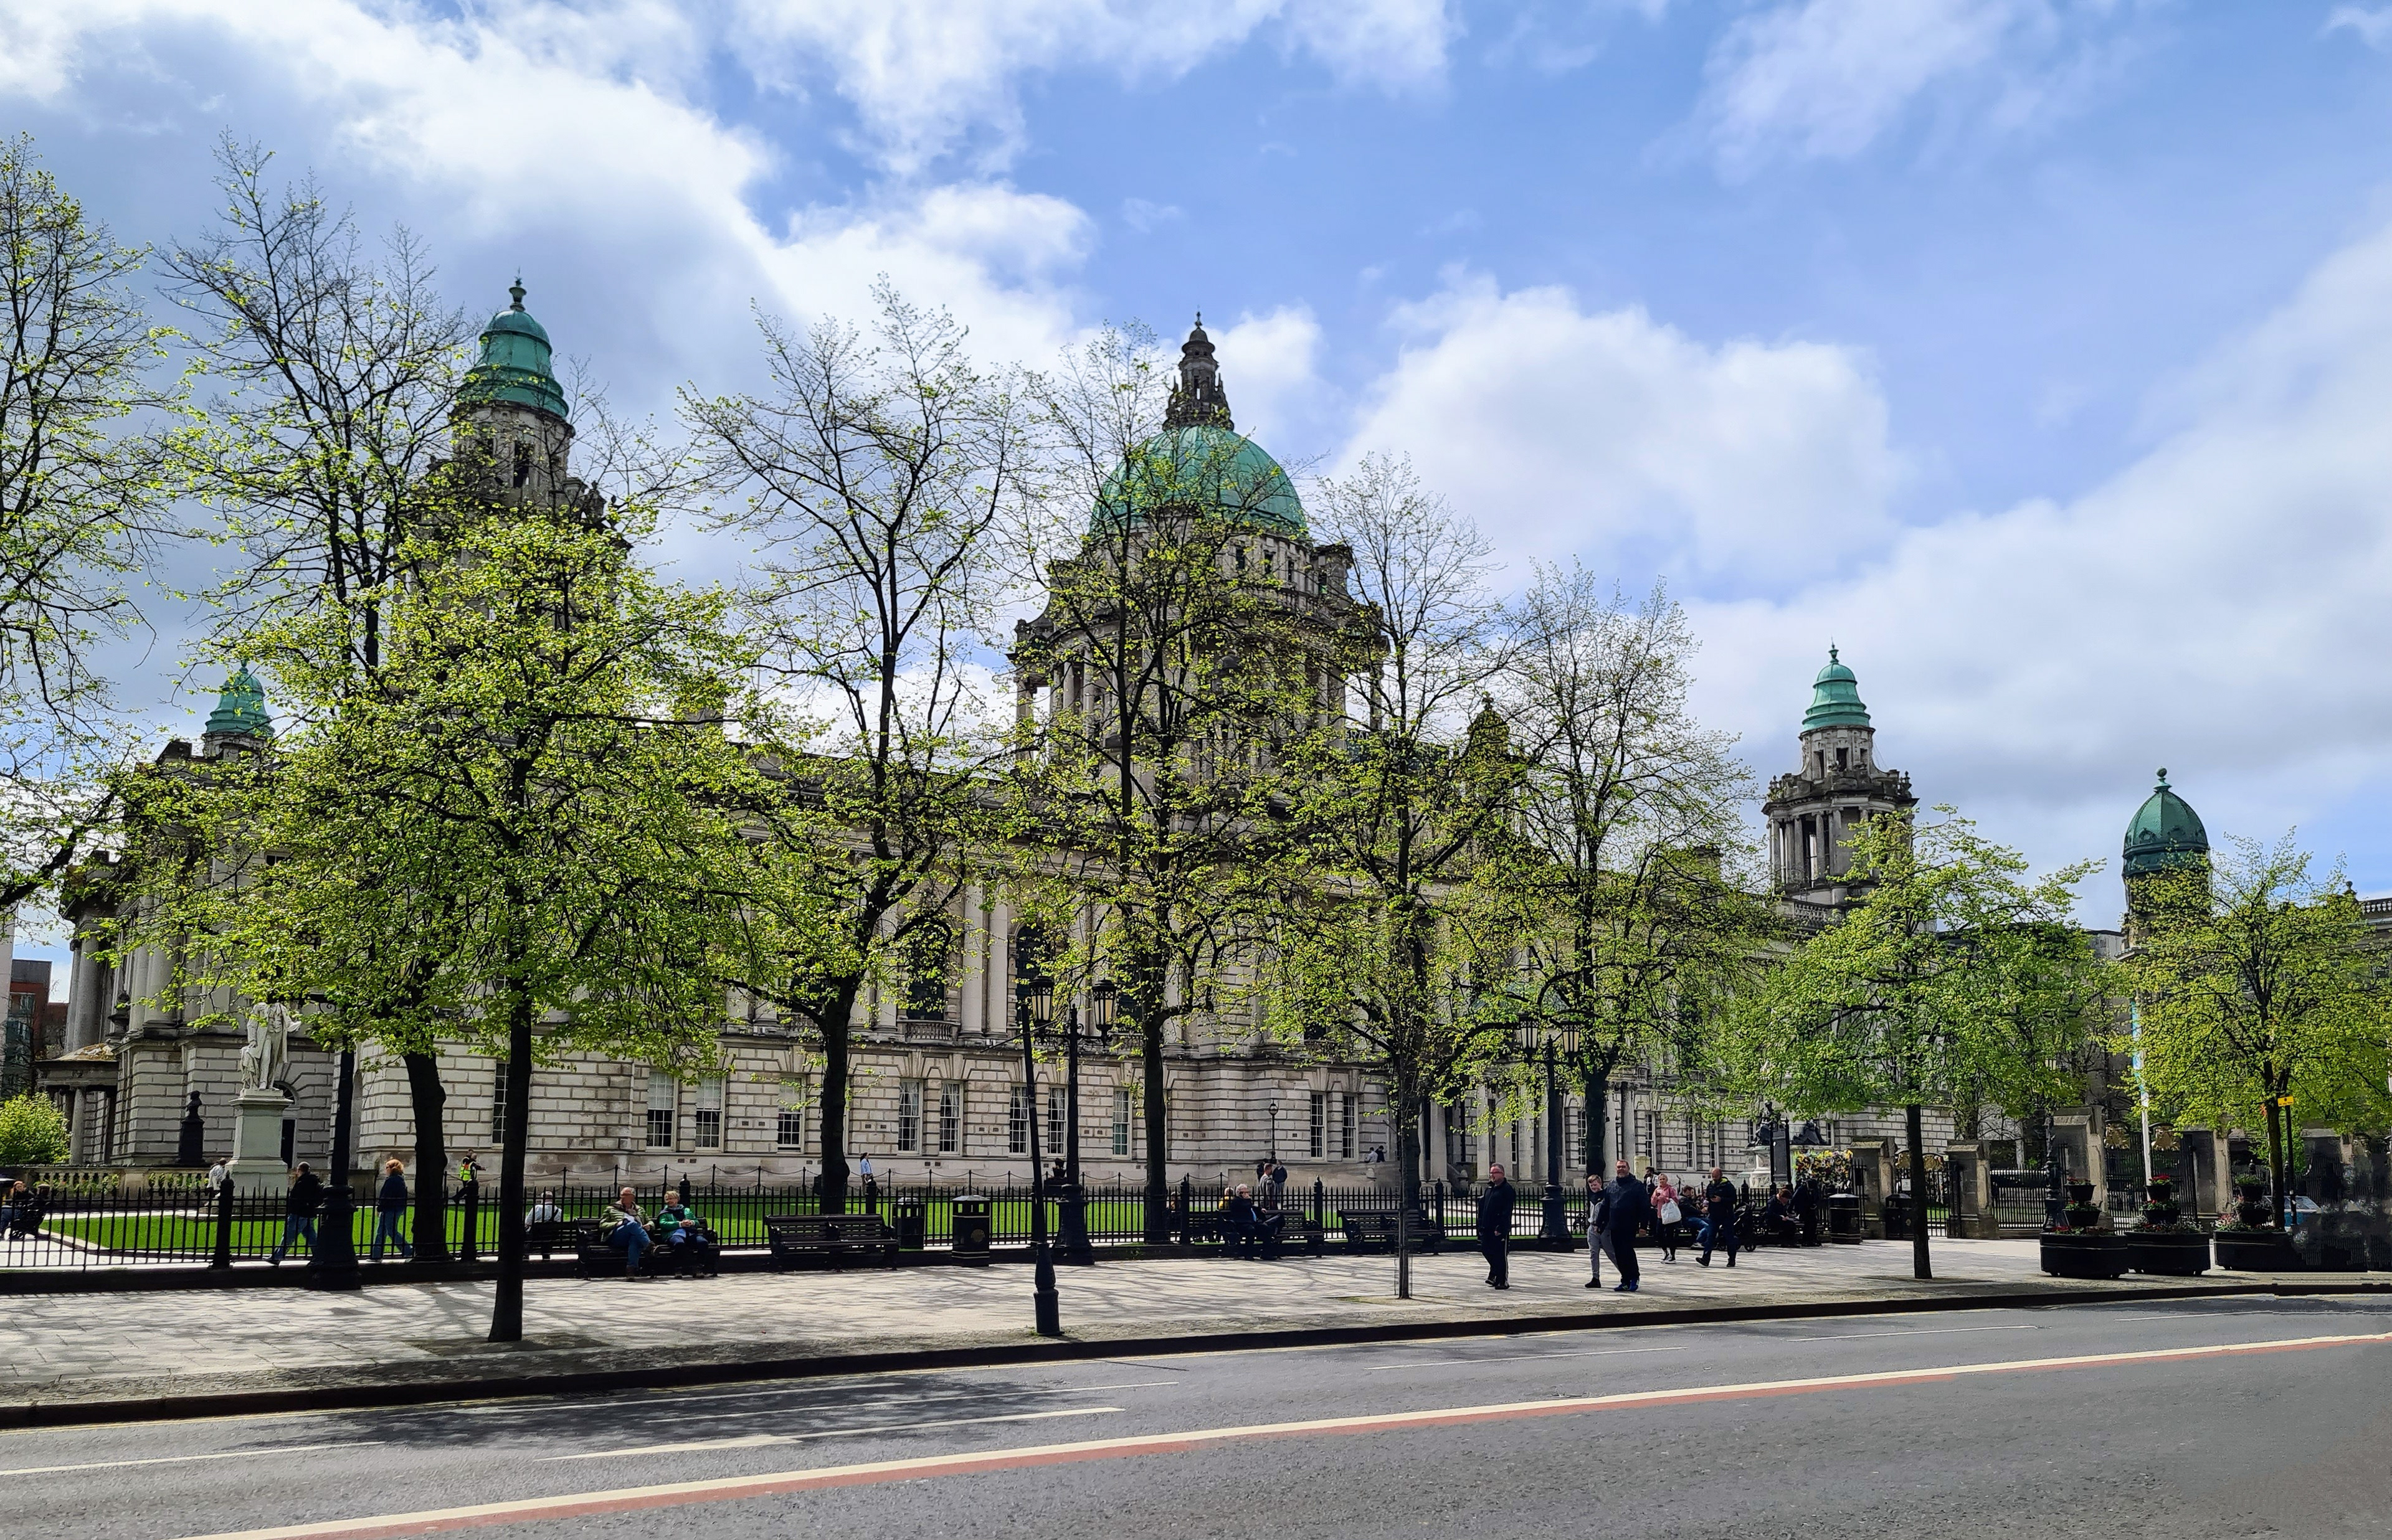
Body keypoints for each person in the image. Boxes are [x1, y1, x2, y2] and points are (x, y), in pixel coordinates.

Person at [1602, 1161, 1649, 1293]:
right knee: (1619, 1254)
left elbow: (1644, 1207)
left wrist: (1643, 1226)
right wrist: (1599, 1224)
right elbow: (1605, 1206)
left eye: (1623, 1167)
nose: (1621, 1169)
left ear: (1628, 1169)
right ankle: (1625, 1280)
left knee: (1628, 1252)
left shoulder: (1637, 1186)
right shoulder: (1612, 1185)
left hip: (1629, 1224)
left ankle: (1634, 1277)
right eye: (1618, 1167)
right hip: (1615, 1225)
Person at [270, 1163, 323, 1265]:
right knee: (311, 1237)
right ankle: (319, 1256)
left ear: (299, 1170)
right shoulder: (314, 1181)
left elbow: (297, 1199)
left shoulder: (303, 1182)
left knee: (288, 1236)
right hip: (309, 1214)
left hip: (299, 1214)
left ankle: (277, 1256)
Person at [655, 1195, 716, 1277]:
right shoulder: (664, 1213)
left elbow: (696, 1222)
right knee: (679, 1244)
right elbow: (663, 1224)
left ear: (677, 1199)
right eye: (667, 1199)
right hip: (674, 1234)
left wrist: (691, 1223)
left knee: (703, 1242)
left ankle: (698, 1267)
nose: (669, 1201)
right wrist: (680, 1224)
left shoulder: (686, 1210)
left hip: (690, 1233)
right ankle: (678, 1268)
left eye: (671, 1199)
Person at [1477, 1164, 1516, 1289]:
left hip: (1498, 1228)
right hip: (1487, 1227)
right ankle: (1494, 1273)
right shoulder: (1489, 1189)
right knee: (1486, 1250)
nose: (1492, 1176)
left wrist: (1501, 1228)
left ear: (1502, 1174)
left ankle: (1502, 1280)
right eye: (1491, 1173)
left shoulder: (1507, 1190)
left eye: (1495, 1173)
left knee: (1500, 1254)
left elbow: (1507, 1211)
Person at [602, 1186, 652, 1280]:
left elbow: (649, 1221)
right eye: (622, 1195)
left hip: (634, 1236)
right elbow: (602, 1225)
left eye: (626, 1195)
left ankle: (631, 1271)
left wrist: (649, 1225)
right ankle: (650, 1246)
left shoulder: (639, 1210)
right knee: (633, 1224)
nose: (622, 1197)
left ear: (633, 1197)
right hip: (617, 1237)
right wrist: (617, 1223)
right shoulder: (611, 1208)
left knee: (634, 1240)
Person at [371, 1158, 413, 1261]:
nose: (386, 1170)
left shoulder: (392, 1180)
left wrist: (380, 1207)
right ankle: (376, 1255)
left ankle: (408, 1251)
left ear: (392, 1168)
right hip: (393, 1208)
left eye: (387, 1167)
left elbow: (386, 1196)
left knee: (390, 1231)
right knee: (381, 1231)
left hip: (390, 1209)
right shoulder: (399, 1179)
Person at [1697, 1166, 1740, 1268]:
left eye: (1715, 1177)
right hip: (1714, 1215)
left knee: (1729, 1238)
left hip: (1726, 1215)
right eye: (1713, 1176)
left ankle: (1732, 1259)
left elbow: (1734, 1199)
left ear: (1720, 1176)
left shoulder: (1728, 1186)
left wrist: (1721, 1200)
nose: (1714, 1179)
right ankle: (1706, 1259)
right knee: (1710, 1237)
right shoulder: (1711, 1185)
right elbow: (1708, 1196)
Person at [1649, 1170, 1682, 1262]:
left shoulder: (1670, 1189)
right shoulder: (1657, 1190)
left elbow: (1676, 1201)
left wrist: (1666, 1199)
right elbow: (1653, 1203)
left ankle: (1672, 1255)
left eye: (1663, 1179)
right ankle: (1665, 1251)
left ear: (1666, 1180)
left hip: (1669, 1216)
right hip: (1660, 1216)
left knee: (1670, 1236)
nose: (1662, 1181)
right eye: (1660, 1179)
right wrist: (1656, 1198)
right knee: (1659, 1235)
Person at [1223, 1184, 1261, 1259]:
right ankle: (1248, 1254)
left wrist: (1260, 1209)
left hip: (1251, 1224)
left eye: (1247, 1192)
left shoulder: (1246, 1202)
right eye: (1245, 1192)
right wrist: (1248, 1200)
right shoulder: (1236, 1201)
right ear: (1240, 1193)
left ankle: (1267, 1253)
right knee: (1251, 1230)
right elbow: (1246, 1207)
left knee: (1266, 1228)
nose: (1247, 1194)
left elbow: (1251, 1207)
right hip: (1241, 1225)